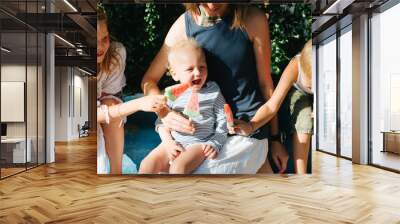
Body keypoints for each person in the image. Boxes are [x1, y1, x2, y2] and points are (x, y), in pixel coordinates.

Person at [141, 3, 288, 174]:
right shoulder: (183, 25)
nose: (212, 5)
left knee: (187, 175)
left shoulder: (252, 19)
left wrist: (276, 139)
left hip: (244, 127)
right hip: (197, 129)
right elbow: (149, 81)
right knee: (148, 169)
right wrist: (164, 112)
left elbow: (265, 84)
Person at [139, 39, 228, 174]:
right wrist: (168, 143)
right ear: (175, 74)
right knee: (147, 165)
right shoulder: (171, 94)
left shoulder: (213, 91)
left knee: (177, 168)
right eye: (190, 69)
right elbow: (160, 124)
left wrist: (215, 143)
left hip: (198, 143)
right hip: (174, 141)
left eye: (202, 67)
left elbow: (223, 120)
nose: (198, 73)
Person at [230, 40, 313, 174]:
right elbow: (271, 106)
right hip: (298, 94)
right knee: (305, 115)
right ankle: (301, 175)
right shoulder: (295, 66)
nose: (314, 89)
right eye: (310, 86)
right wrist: (251, 126)